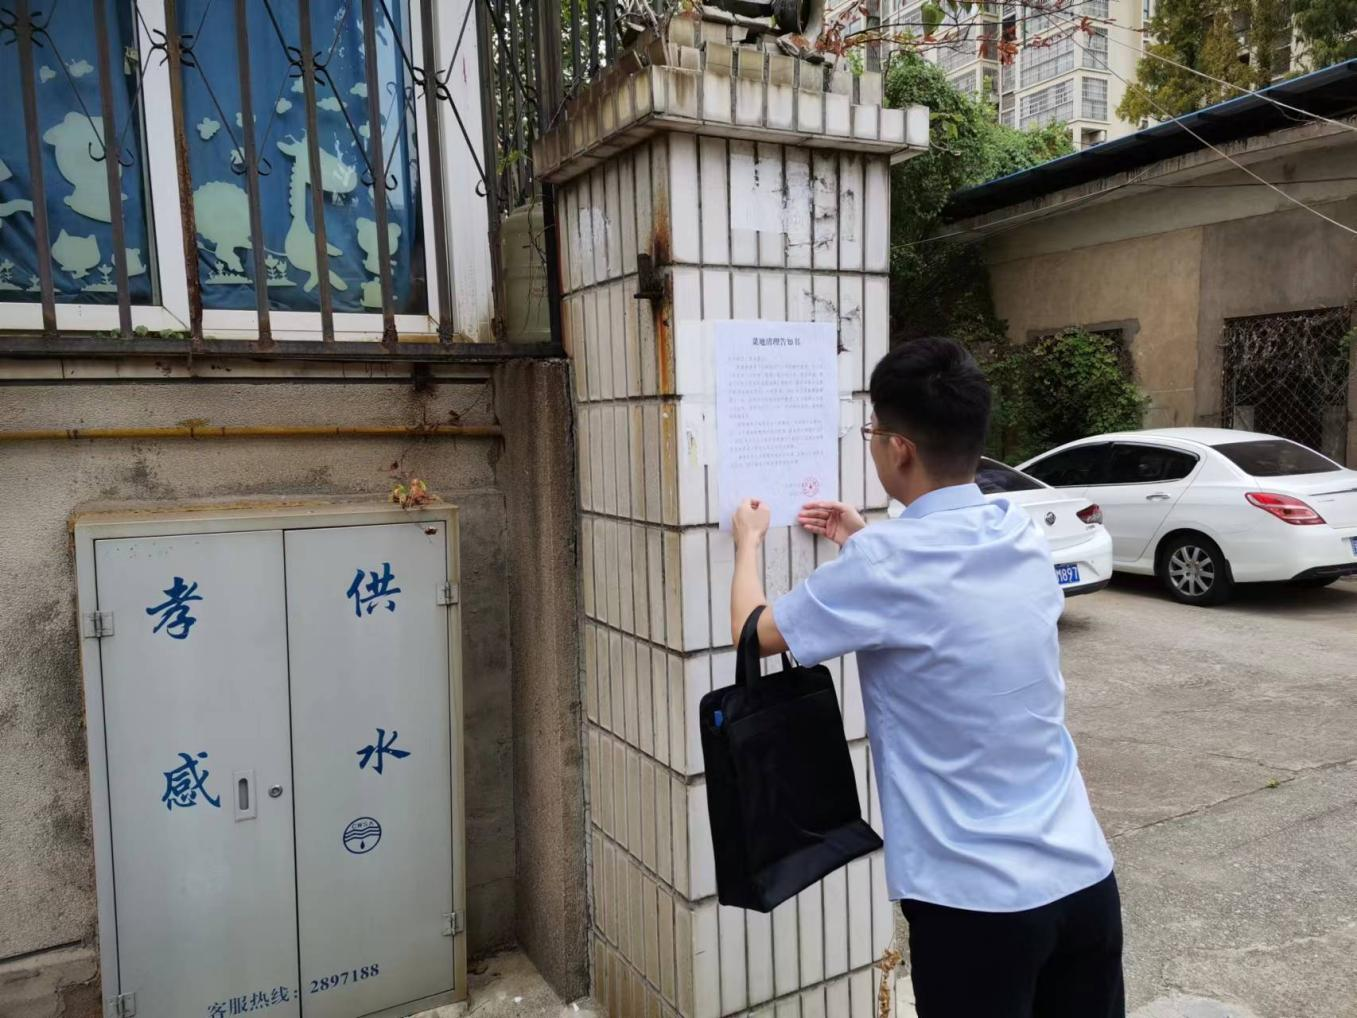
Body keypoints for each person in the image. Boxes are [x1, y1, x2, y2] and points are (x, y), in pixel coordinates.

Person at [729, 336, 1124, 1018]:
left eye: (872, 434)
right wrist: (862, 538)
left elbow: (754, 632)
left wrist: (747, 543)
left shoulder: (888, 561)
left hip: (975, 906)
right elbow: (945, 597)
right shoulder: (1017, 532)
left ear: (899, 448)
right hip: (1084, 880)